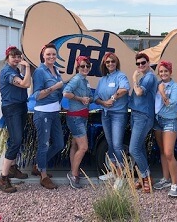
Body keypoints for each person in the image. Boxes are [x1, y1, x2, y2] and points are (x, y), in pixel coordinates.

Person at [0, 46, 32, 193]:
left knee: (15, 139)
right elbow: (25, 84)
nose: (16, 59)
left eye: (18, 56)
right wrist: (28, 67)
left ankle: (12, 167)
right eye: (13, 56)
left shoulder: (16, 70)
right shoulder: (7, 72)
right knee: (16, 140)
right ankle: (3, 179)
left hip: (21, 106)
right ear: (7, 57)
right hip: (12, 108)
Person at [94, 52, 130, 189]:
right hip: (105, 114)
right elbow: (96, 97)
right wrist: (103, 103)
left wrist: (112, 99)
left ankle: (121, 177)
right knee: (110, 144)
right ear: (104, 64)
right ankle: (113, 172)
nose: (110, 64)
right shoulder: (102, 80)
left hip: (118, 115)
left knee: (117, 144)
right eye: (108, 62)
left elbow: (124, 89)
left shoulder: (121, 76)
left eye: (112, 61)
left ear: (116, 63)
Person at [32, 43, 64, 190]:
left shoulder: (56, 70)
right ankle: (43, 176)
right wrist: (54, 87)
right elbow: (37, 95)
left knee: (59, 144)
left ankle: (39, 165)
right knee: (44, 144)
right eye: (48, 54)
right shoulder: (39, 72)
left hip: (55, 112)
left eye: (54, 54)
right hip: (43, 112)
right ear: (43, 56)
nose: (51, 57)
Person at [128, 53, 158, 193]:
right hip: (136, 114)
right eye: (138, 64)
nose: (140, 65)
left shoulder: (150, 77)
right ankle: (143, 177)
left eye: (143, 62)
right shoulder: (145, 77)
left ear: (148, 62)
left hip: (143, 116)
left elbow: (139, 93)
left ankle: (146, 178)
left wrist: (134, 78)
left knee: (133, 149)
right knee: (139, 148)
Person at [63, 56, 93, 189]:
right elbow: (66, 93)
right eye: (82, 66)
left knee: (75, 145)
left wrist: (89, 99)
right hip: (76, 118)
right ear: (77, 67)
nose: (85, 68)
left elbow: (87, 97)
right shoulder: (76, 79)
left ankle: (74, 170)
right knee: (84, 147)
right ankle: (74, 174)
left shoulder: (84, 80)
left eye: (87, 66)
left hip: (81, 116)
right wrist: (80, 98)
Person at [152, 61, 177, 197]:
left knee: (169, 153)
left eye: (166, 71)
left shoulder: (175, 86)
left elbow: (171, 104)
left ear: (170, 72)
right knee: (163, 151)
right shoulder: (157, 84)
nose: (163, 73)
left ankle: (175, 185)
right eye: (161, 71)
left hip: (170, 120)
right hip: (158, 121)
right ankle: (166, 179)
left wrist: (163, 93)